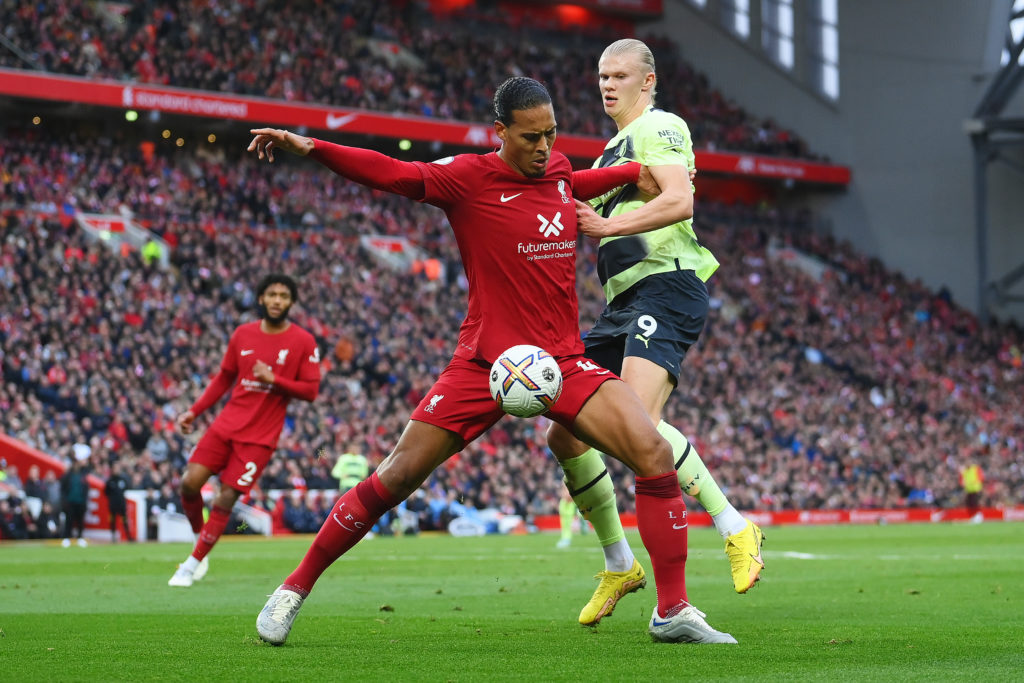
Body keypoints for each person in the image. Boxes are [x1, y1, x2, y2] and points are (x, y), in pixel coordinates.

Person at [248, 76, 735, 646]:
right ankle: (293, 589)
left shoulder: (557, 173)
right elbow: (391, 172)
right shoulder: (467, 178)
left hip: (561, 361)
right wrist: (314, 147)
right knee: (398, 474)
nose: (543, 147)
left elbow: (581, 179)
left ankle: (671, 610)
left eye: (551, 134)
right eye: (530, 137)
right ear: (500, 132)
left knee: (651, 452)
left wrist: (636, 173)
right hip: (483, 363)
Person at [546, 38, 765, 626]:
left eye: (620, 75)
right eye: (601, 75)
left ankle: (734, 525)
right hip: (621, 303)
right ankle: (620, 564)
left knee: (635, 426)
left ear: (648, 82)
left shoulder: (660, 125)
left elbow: (681, 199)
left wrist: (603, 227)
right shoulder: (605, 156)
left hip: (665, 286)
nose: (607, 84)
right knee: (565, 433)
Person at [168, 273, 321, 587]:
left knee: (224, 500)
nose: (277, 300)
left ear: (291, 302)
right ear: (261, 299)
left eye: (284, 295)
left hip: (260, 439)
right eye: (272, 294)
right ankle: (201, 544)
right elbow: (224, 378)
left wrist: (273, 380)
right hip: (225, 426)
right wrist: (194, 412)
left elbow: (310, 390)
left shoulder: (303, 341)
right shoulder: (242, 334)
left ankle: (191, 565)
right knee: (188, 484)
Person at [60, 455, 90, 547]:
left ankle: (80, 538)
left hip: (80, 502)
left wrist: (85, 501)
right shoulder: (68, 476)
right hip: (70, 502)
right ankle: (66, 538)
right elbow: (63, 489)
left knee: (80, 521)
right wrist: (65, 501)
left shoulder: (83, 475)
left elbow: (86, 488)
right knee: (69, 521)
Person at [104, 461, 133, 542]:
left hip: (121, 504)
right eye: (115, 468)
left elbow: (127, 488)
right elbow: (106, 492)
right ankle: (113, 537)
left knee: (124, 520)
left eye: (118, 468)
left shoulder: (123, 480)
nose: (116, 470)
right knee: (112, 521)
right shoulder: (110, 481)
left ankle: (128, 536)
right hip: (113, 505)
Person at [959, 456, 984, 523]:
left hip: (976, 489)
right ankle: (973, 516)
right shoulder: (964, 470)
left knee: (975, 503)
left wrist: (979, 487)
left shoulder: (975, 468)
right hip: (969, 490)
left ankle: (978, 516)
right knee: (970, 504)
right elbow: (962, 481)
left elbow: (980, 478)